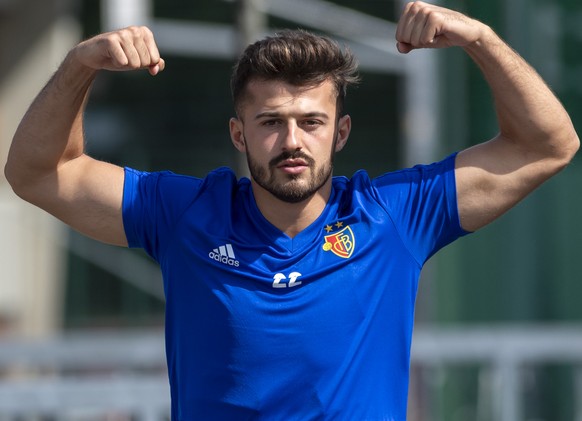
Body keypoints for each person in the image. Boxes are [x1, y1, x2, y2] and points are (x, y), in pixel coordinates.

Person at [4, 1, 579, 419]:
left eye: (311, 121)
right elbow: (38, 172)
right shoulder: (184, 214)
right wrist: (80, 63)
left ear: (341, 132)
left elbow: (548, 145)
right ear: (239, 133)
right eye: (271, 122)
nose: (292, 141)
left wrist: (480, 39)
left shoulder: (395, 215)